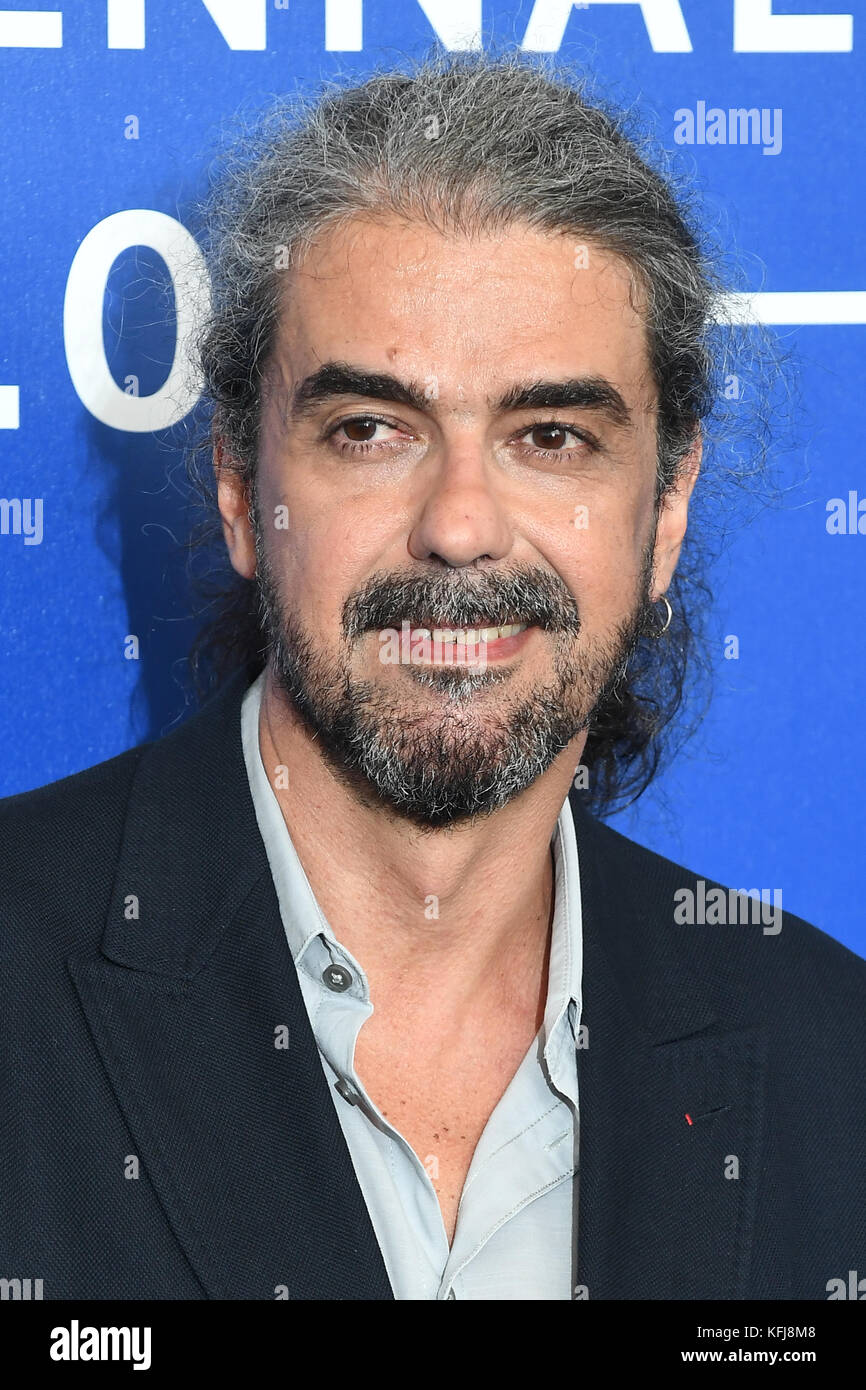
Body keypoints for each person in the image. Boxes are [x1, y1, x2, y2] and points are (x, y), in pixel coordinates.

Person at [1, 49, 864, 1302]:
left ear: (663, 511)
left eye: (550, 437)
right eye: (370, 430)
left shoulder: (827, 1061)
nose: (460, 523)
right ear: (242, 488)